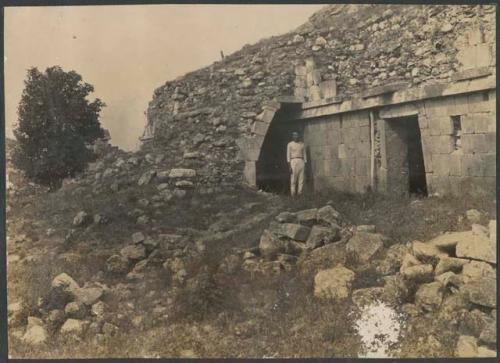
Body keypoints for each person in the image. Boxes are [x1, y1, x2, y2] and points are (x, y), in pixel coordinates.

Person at [287, 131, 307, 196]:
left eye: (297, 135)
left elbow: (304, 154)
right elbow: (288, 155)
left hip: (301, 161)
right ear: (292, 136)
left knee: (301, 179)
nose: (296, 136)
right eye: (294, 135)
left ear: (299, 136)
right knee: (293, 179)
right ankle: (293, 194)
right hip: (293, 161)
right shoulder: (290, 144)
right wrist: (289, 165)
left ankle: (300, 194)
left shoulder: (302, 144)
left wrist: (305, 164)